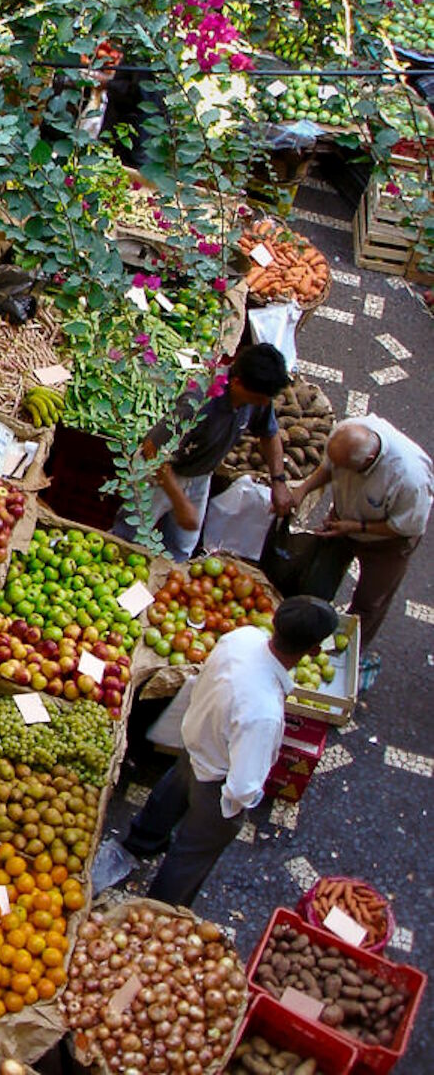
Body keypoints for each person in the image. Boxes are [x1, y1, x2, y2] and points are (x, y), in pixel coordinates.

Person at [121, 596, 337, 908]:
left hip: (193, 741)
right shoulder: (263, 711)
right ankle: (160, 909)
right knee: (192, 852)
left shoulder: (242, 637)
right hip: (216, 779)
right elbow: (243, 786)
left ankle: (138, 842)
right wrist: (236, 810)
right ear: (313, 650)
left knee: (169, 796)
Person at [114, 343, 294, 560]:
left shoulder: (259, 398)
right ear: (237, 383)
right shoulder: (198, 402)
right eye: (260, 398)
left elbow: (269, 433)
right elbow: (152, 449)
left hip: (200, 474)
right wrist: (179, 501)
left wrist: (278, 481)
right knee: (127, 540)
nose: (264, 404)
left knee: (182, 548)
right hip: (158, 473)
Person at [288, 416, 434, 675]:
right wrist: (303, 489)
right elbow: (329, 468)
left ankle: (350, 659)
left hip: (387, 540)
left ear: (367, 462)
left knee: (369, 603)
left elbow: (406, 527)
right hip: (344, 521)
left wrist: (355, 527)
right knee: (316, 581)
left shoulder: (410, 479)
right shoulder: (346, 433)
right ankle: (303, 636)